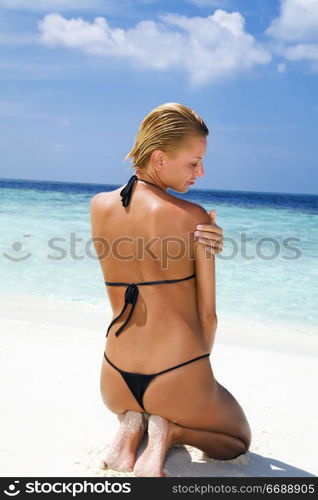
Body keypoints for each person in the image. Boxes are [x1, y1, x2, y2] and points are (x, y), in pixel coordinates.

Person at [90, 102, 251, 477]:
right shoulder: (194, 217)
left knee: (141, 400)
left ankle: (130, 425)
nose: (201, 172)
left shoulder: (98, 206)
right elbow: (208, 316)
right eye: (193, 163)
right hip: (177, 375)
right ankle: (170, 430)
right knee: (236, 441)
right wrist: (197, 372)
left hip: (113, 377)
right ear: (159, 159)